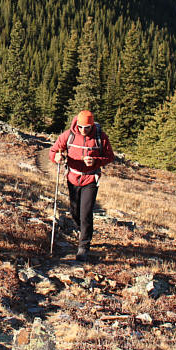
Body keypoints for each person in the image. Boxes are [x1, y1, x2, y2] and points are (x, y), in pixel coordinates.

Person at [50, 110, 114, 262]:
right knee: (74, 211)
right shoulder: (68, 135)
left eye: (87, 127)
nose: (83, 130)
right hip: (72, 177)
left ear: (92, 125)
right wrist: (57, 156)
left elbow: (109, 156)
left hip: (91, 178)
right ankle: (83, 230)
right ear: (77, 124)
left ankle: (83, 246)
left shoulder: (100, 137)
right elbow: (54, 151)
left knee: (85, 212)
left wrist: (96, 161)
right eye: (81, 127)